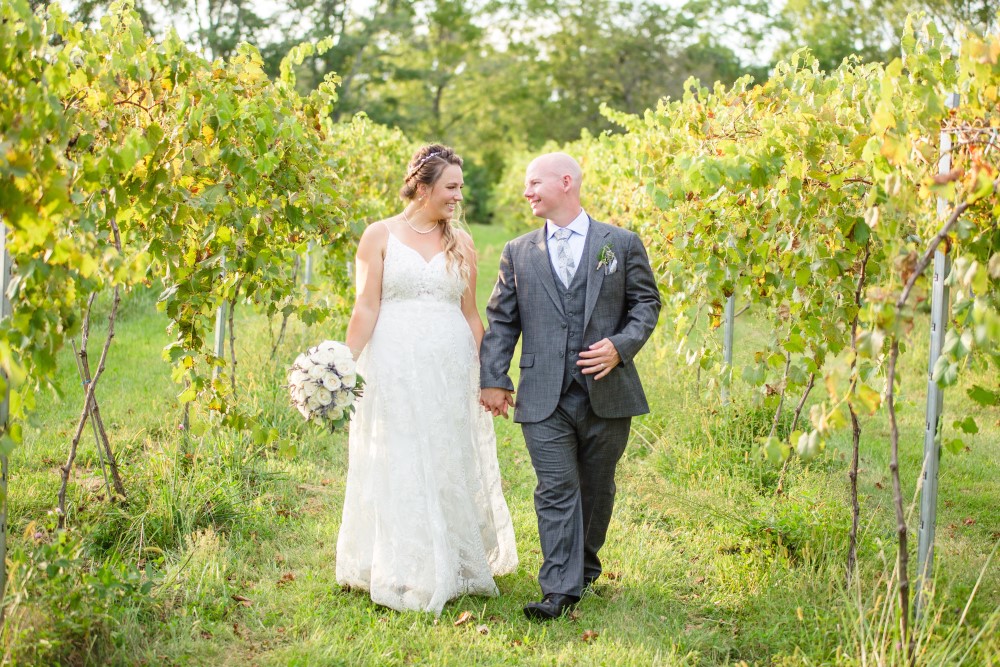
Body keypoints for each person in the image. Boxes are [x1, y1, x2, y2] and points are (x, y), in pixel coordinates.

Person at [479, 152, 660, 621]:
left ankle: (584, 568)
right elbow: (501, 320)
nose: (526, 192)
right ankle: (558, 589)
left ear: (566, 182)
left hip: (608, 390)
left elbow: (646, 305)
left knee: (596, 488)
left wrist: (621, 346)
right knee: (556, 487)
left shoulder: (619, 243)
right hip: (543, 393)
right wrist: (495, 378)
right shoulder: (517, 252)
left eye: (534, 182)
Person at [338, 144, 518, 615]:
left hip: (449, 367)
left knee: (444, 455)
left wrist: (493, 376)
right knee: (399, 455)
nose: (459, 196)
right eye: (451, 186)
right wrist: (341, 365)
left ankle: (452, 563)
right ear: (423, 186)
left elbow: (471, 313)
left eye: (460, 187)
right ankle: (400, 566)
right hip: (393, 364)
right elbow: (366, 307)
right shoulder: (378, 236)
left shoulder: (462, 243)